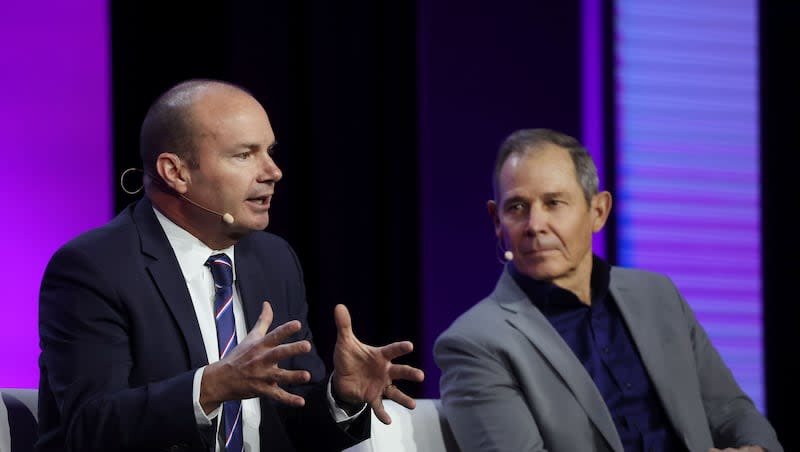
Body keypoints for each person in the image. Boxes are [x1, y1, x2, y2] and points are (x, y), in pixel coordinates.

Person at [37, 79, 424, 452]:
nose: (273, 172)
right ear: (176, 172)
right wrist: (212, 387)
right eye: (244, 155)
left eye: (270, 151)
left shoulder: (274, 261)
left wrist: (340, 395)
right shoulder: (95, 268)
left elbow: (295, 430)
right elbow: (86, 428)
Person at [434, 129, 782, 452]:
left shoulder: (657, 296)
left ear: (598, 211)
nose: (535, 226)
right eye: (517, 207)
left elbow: (729, 409)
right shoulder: (475, 343)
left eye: (554, 203)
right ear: (497, 221)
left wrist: (756, 448)